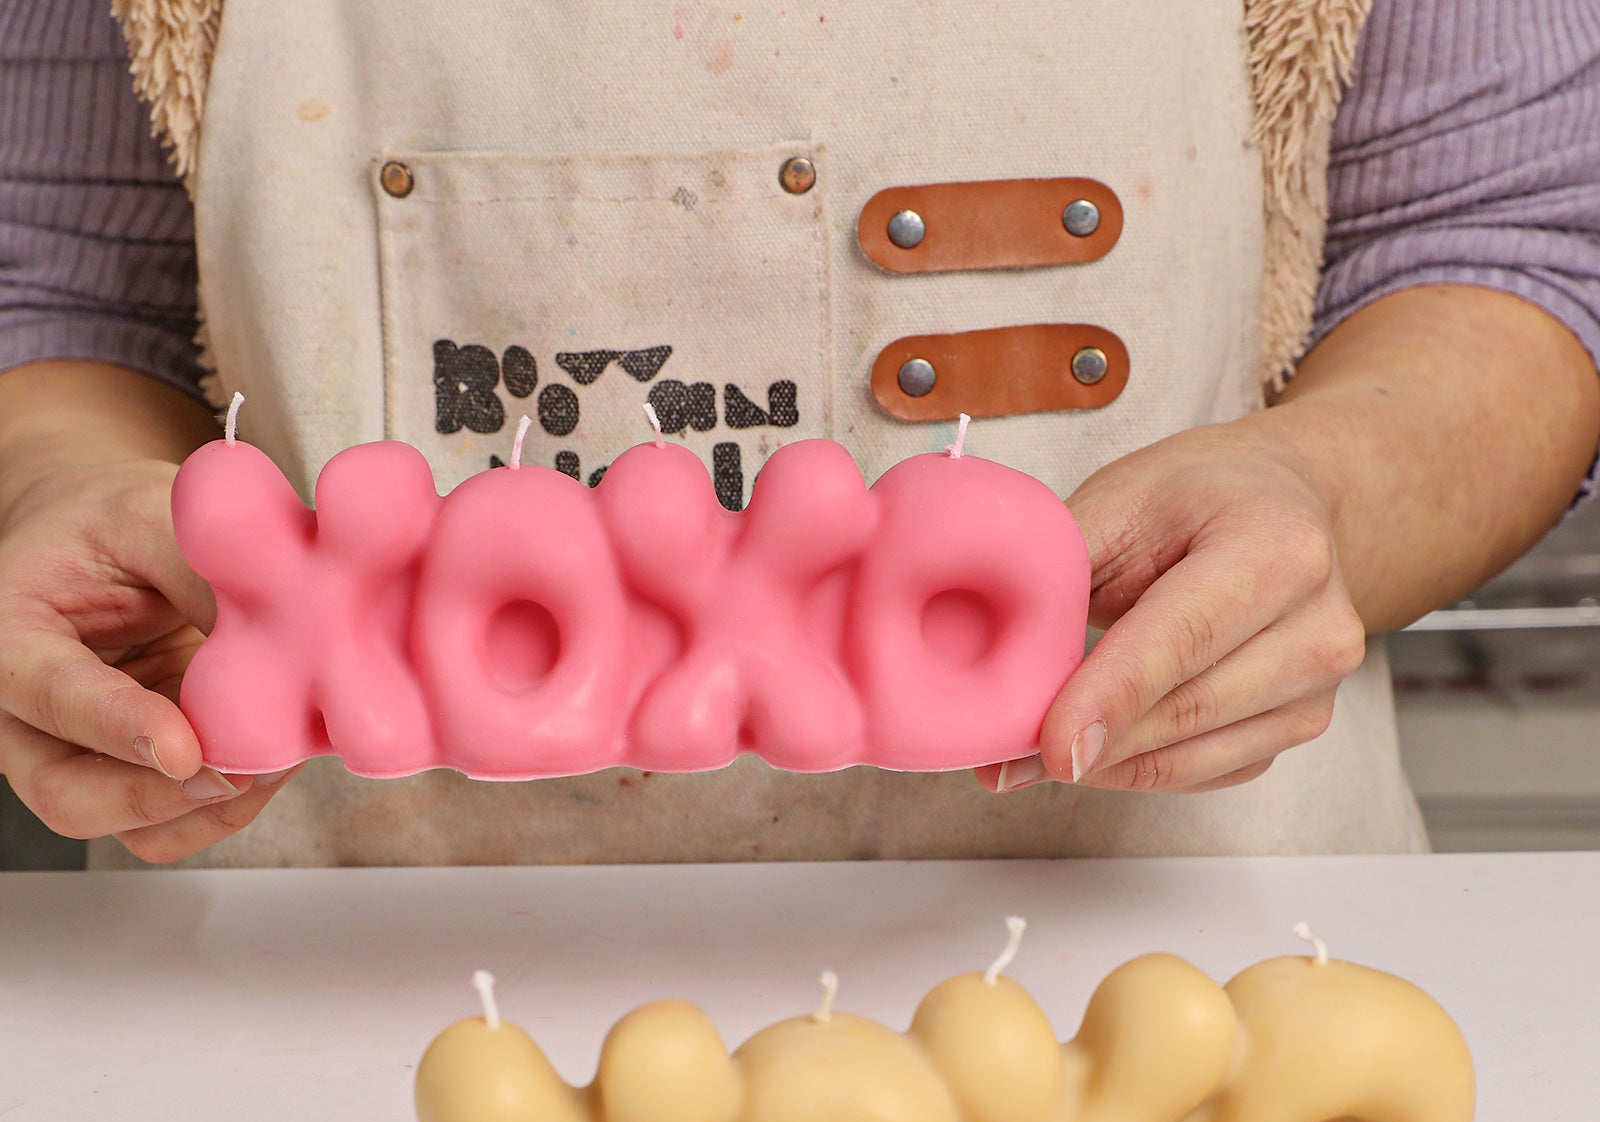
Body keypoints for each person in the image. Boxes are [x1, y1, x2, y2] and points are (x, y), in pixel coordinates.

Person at [1, 0, 1597, 869]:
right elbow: (57, 279)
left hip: (1157, 967)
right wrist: (57, 492)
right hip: (311, 987)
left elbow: (1514, 245)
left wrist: (1322, 488)